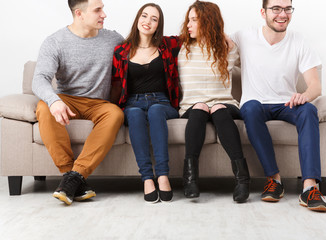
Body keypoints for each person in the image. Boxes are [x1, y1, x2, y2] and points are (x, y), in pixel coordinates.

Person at [231, 0, 326, 211]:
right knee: (249, 108)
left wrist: (304, 96)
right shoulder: (244, 36)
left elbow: (315, 86)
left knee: (309, 110)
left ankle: (309, 188)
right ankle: (274, 180)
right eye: (275, 8)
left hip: (287, 103)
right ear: (263, 12)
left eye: (287, 9)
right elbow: (213, 41)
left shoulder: (299, 41)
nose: (282, 14)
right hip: (256, 104)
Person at [32, 0, 125, 205]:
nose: (104, 14)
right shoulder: (55, 41)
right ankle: (71, 176)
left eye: (103, 9)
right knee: (43, 107)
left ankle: (72, 178)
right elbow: (39, 79)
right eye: (98, 10)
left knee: (116, 113)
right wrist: (54, 101)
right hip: (67, 99)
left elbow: (139, 54)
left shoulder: (114, 40)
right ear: (79, 13)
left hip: (99, 103)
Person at [178, 0, 250, 203]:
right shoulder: (182, 47)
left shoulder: (228, 48)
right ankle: (190, 179)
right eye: (188, 20)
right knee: (200, 107)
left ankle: (242, 179)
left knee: (217, 107)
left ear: (208, 22)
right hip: (192, 105)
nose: (188, 25)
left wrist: (224, 38)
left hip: (224, 104)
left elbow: (255, 64)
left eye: (194, 20)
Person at [111, 3, 181, 203]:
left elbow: (196, 35)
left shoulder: (168, 46)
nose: (148, 21)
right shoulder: (121, 51)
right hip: (133, 103)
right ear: (137, 19)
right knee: (133, 114)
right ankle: (147, 178)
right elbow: (116, 86)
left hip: (162, 101)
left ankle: (163, 175)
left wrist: (225, 37)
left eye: (154, 18)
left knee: (156, 110)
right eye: (144, 16)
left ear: (159, 25)